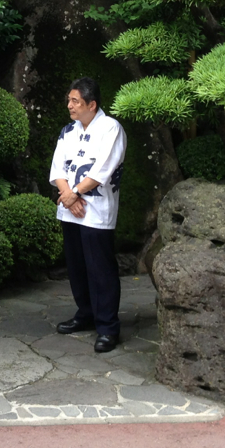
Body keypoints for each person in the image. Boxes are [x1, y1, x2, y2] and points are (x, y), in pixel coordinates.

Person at [49, 77, 127, 353]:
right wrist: (68, 197)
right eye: (69, 100)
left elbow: (103, 169)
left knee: (100, 269)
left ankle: (107, 326)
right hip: (71, 209)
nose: (69, 105)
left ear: (92, 104)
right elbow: (58, 168)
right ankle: (85, 313)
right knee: (77, 266)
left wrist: (75, 194)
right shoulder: (68, 131)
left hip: (95, 210)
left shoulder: (110, 128)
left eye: (75, 101)